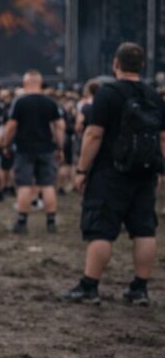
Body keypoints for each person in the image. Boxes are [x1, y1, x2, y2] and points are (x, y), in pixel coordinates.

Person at [61, 43, 165, 305]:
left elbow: (94, 134)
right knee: (144, 229)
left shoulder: (108, 93)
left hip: (111, 172)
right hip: (145, 172)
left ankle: (89, 286)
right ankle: (140, 288)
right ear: (141, 65)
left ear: (115, 64)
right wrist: (159, 167)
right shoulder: (154, 95)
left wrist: (82, 169)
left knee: (102, 230)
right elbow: (162, 137)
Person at [0, 70, 65, 234]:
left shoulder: (19, 102)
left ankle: (21, 222)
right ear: (40, 83)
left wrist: (5, 144)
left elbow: (11, 126)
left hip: (24, 149)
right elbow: (60, 126)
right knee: (48, 185)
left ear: (25, 83)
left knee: (24, 185)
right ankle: (50, 222)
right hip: (46, 149)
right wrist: (60, 146)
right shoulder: (50, 102)